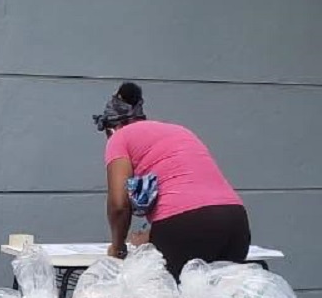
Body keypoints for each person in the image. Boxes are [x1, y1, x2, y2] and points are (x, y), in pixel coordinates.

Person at [95, 81, 251, 280]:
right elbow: (190, 195)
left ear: (111, 127)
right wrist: (155, 236)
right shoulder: (179, 131)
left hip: (185, 225)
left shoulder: (119, 137)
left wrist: (118, 249)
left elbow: (118, 205)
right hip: (235, 221)